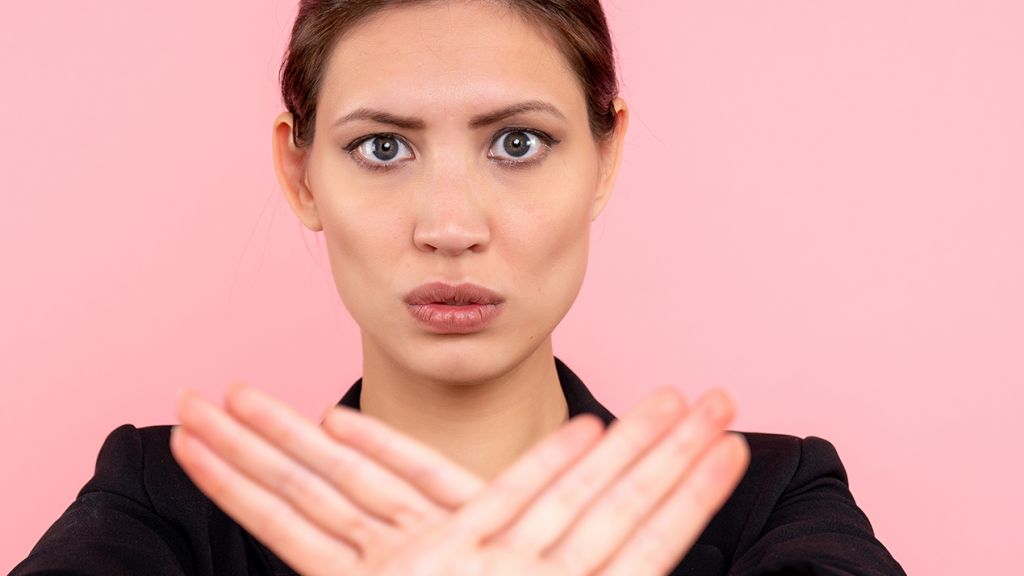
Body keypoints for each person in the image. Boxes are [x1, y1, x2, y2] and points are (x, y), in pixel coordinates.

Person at [12, 1, 906, 574]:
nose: (449, 225)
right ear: (300, 174)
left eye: (517, 142)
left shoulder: (774, 499)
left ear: (605, 159)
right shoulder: (162, 500)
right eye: (382, 147)